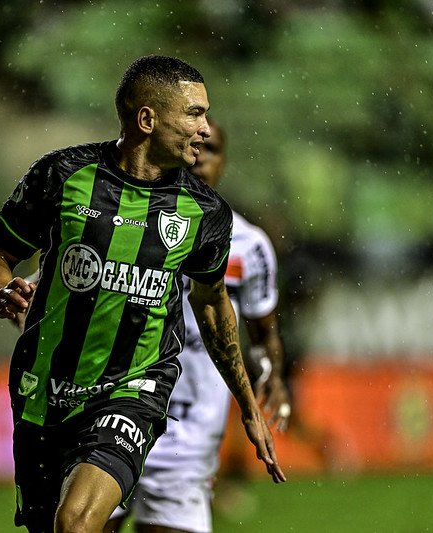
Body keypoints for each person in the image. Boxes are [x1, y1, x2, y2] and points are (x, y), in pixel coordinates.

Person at [0, 55, 286, 533]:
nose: (204, 130)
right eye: (194, 114)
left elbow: (212, 304)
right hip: (45, 387)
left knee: (76, 523)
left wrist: (247, 404)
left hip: (133, 390)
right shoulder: (61, 176)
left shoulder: (204, 213)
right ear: (147, 119)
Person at [105, 118, 290, 533]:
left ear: (223, 162)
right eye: (194, 146)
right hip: (111, 412)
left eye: (212, 149)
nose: (201, 156)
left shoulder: (249, 245)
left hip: (187, 435)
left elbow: (264, 334)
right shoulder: (125, 223)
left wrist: (272, 373)